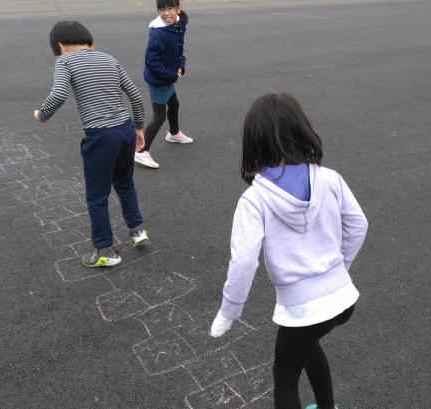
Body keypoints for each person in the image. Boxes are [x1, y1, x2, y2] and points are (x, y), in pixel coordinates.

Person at [210, 93, 368, 409]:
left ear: (253, 142)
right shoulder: (329, 178)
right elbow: (358, 225)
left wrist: (229, 311)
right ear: (302, 130)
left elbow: (243, 262)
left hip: (303, 308)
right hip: (343, 299)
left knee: (284, 376)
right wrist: (339, 269)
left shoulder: (255, 200)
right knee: (307, 349)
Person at [33, 20, 149, 268]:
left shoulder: (65, 61)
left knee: (97, 195)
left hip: (100, 136)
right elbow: (136, 96)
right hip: (125, 130)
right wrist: (138, 127)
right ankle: (137, 230)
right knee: (125, 183)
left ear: (60, 46)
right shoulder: (108, 58)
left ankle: (105, 250)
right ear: (90, 42)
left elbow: (59, 94)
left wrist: (41, 115)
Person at [135, 0, 192, 169]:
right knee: (159, 116)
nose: (166, 13)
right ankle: (141, 151)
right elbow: (151, 61)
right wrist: (170, 75)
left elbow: (180, 49)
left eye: (170, 9)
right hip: (158, 80)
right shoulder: (158, 33)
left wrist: (181, 65)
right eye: (162, 9)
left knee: (174, 105)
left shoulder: (179, 24)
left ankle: (174, 134)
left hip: (168, 77)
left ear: (178, 9)